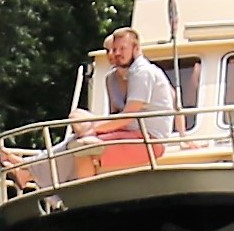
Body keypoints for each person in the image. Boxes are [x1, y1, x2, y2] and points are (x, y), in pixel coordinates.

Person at [74, 27, 177, 176]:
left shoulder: (143, 72)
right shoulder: (120, 76)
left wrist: (94, 129)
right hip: (132, 134)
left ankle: (84, 196)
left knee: (83, 148)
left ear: (136, 48)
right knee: (77, 123)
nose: (116, 53)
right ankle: (33, 172)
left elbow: (128, 116)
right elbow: (118, 115)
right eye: (114, 49)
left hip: (149, 140)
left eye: (123, 48)